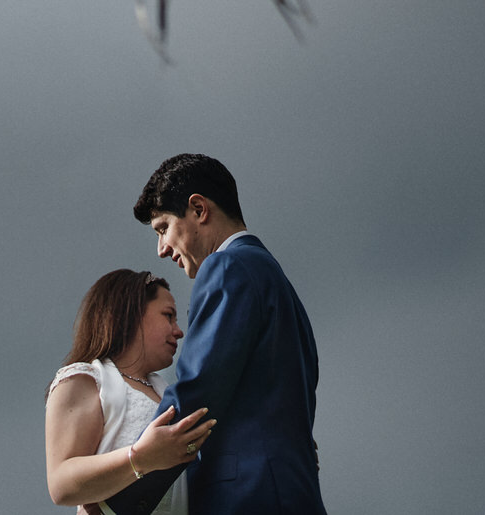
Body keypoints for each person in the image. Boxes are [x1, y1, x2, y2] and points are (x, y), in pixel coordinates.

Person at [104, 154, 326, 515]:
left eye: (163, 228)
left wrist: (121, 497)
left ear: (198, 209)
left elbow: (198, 392)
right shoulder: (279, 285)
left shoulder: (228, 268)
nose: (161, 249)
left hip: (247, 499)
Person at [45, 269, 218, 515]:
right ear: (130, 313)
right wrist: (141, 457)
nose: (179, 331)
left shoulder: (166, 391)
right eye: (168, 316)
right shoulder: (84, 379)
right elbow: (61, 484)